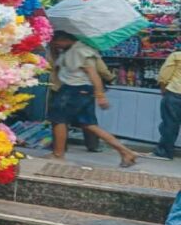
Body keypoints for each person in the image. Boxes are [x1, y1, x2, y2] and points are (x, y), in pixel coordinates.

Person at [47, 31, 137, 167]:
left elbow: (93, 74)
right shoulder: (69, 50)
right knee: (89, 125)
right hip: (78, 89)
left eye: (57, 41)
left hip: (75, 90)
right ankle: (126, 152)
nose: (55, 44)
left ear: (65, 39)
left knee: (58, 119)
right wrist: (54, 49)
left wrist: (100, 95)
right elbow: (56, 65)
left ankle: (58, 155)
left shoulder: (80, 51)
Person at [49, 44, 116, 152]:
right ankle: (93, 145)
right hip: (77, 88)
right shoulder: (83, 50)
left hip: (64, 87)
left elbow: (52, 66)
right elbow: (101, 69)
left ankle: (59, 148)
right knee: (87, 121)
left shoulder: (68, 51)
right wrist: (110, 78)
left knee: (60, 120)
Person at [150, 51, 181, 160]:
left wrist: (164, 91)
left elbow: (164, 76)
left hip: (175, 92)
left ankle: (164, 152)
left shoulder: (176, 56)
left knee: (170, 124)